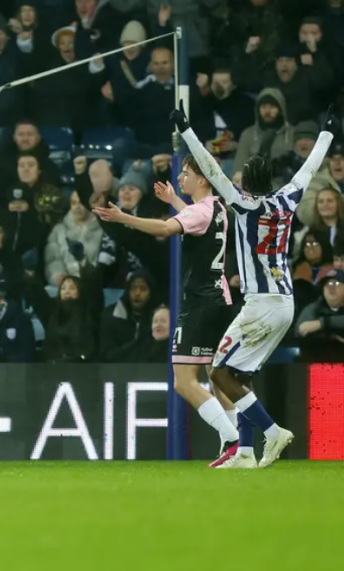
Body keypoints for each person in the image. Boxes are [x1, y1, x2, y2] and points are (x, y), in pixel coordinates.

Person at [175, 101, 337, 468]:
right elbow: (310, 167)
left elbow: (212, 169)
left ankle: (271, 431)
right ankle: (245, 453)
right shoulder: (287, 199)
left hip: (260, 304)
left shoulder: (244, 205)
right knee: (240, 373)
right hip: (285, 303)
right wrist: (327, 131)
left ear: (247, 182)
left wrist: (187, 130)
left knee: (218, 372)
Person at [94, 156, 243, 466]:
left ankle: (233, 439)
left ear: (203, 179)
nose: (180, 178)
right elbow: (197, 219)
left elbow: (165, 227)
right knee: (216, 377)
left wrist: (124, 218)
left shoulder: (200, 212)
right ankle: (240, 450)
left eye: (186, 173)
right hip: (221, 301)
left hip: (200, 303)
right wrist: (175, 200)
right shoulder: (219, 209)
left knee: (183, 381)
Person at [295, 269, 344, 363]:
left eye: (336, 284)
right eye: (327, 285)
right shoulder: (314, 308)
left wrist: (322, 323)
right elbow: (300, 330)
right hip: (319, 363)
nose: (331, 288)